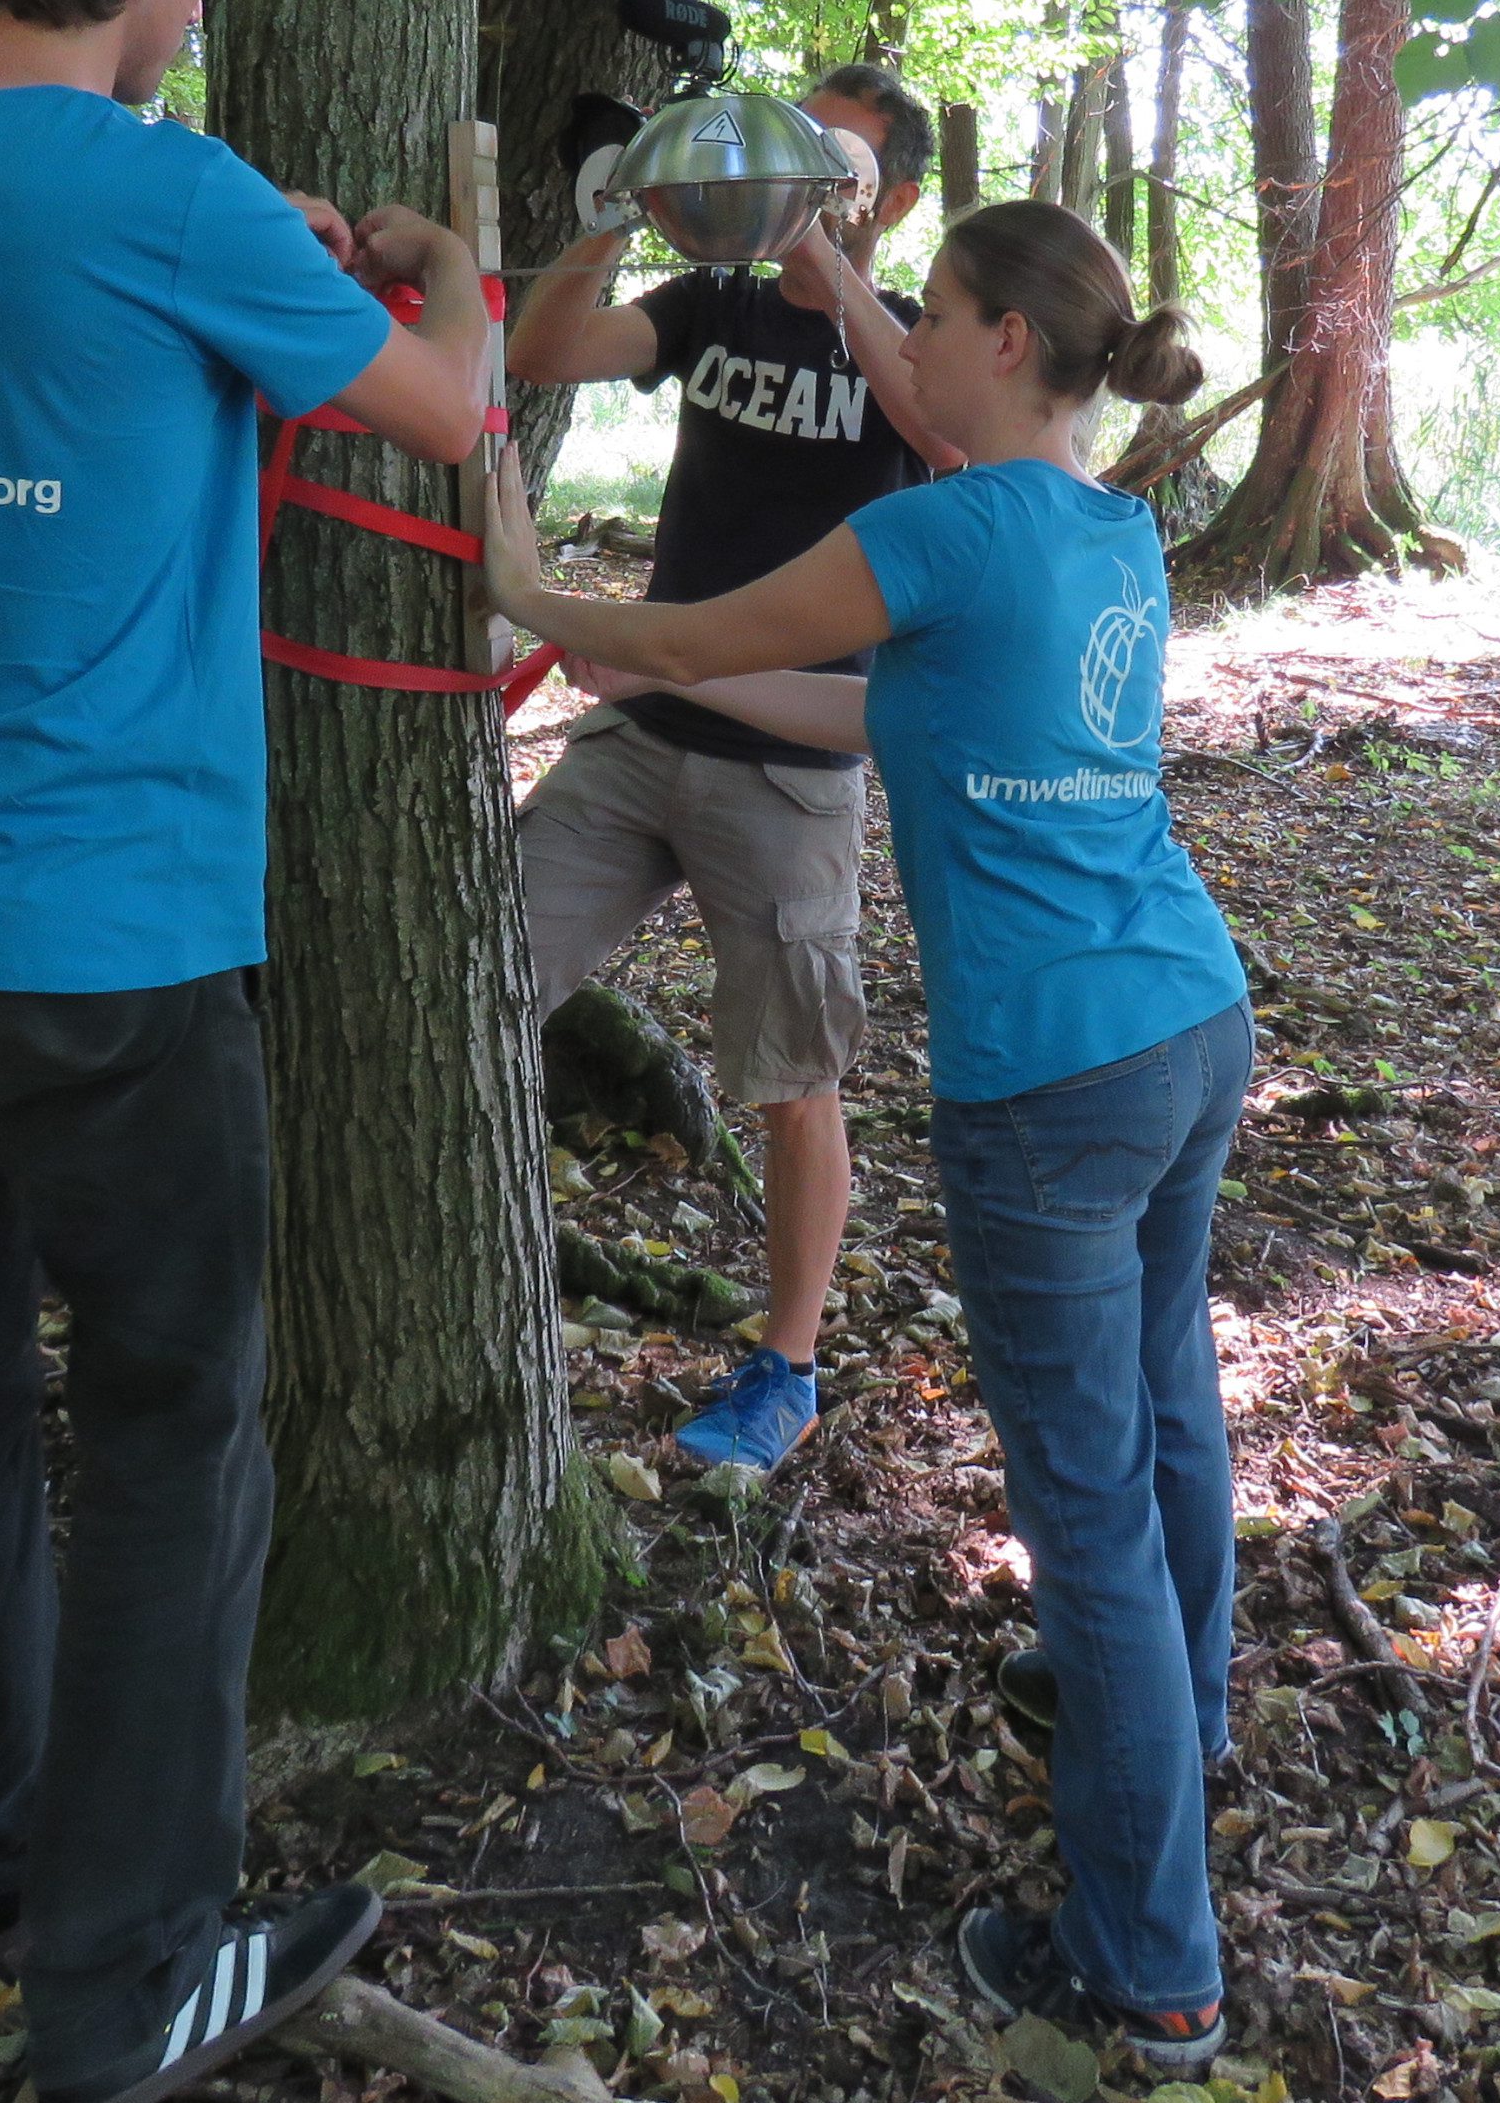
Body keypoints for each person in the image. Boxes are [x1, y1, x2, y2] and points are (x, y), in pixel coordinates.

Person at [0, 0, 492, 2103]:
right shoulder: (163, 204)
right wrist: (436, 265)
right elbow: (454, 413)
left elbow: (52, 251)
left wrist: (252, 227)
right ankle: (131, 1973)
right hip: (97, 942)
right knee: (181, 1417)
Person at [484, 199, 1250, 2072]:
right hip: (1187, 1019)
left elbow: (715, 620)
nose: (895, 344)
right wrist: (653, 674)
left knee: (1089, 1523)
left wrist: (534, 591)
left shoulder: (937, 525)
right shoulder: (1106, 529)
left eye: (930, 317)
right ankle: (1173, 1723)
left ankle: (1148, 1971)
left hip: (1055, 1085)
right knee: (1165, 1418)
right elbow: (860, 696)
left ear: (996, 344)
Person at [502, 62, 958, 1470]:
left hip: (792, 770)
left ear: (899, 193)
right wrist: (618, 208)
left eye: (836, 153)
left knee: (790, 1073)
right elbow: (539, 355)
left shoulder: (924, 344)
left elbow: (951, 443)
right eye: (789, 142)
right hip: (642, 738)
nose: (797, 166)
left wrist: (820, 244)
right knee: (486, 973)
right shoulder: (713, 308)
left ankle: (785, 1366)